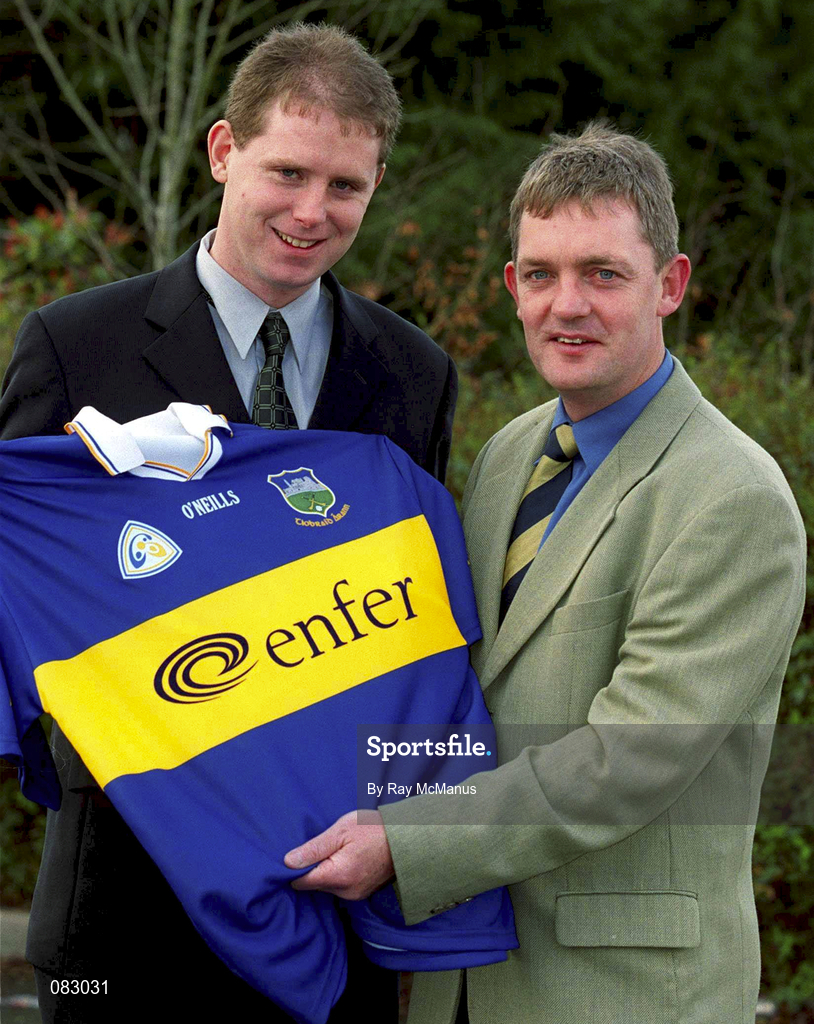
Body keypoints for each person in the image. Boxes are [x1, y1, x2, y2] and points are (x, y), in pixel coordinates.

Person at [284, 123, 808, 1024]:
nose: (567, 305)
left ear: (670, 284)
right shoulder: (508, 455)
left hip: (624, 994)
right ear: (512, 289)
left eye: (603, 274)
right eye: (541, 274)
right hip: (461, 979)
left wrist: (406, 843)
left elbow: (629, 758)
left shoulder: (732, 498)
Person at [0, 22, 456, 1023]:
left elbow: (416, 634)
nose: (311, 211)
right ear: (222, 151)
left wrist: (411, 836)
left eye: (345, 186)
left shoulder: (413, 374)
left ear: (376, 185)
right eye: (287, 171)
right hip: (123, 920)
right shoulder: (75, 347)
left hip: (339, 912)